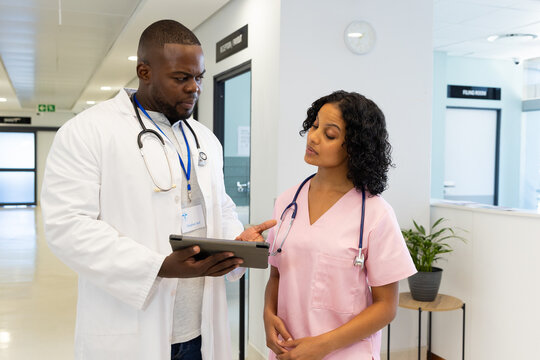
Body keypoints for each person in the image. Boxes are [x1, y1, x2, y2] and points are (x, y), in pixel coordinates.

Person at [41, 19, 274, 360]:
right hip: (131, 327)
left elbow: (219, 207)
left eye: (199, 78)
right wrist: (159, 266)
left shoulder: (203, 137)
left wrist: (237, 242)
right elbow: (68, 226)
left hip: (199, 329)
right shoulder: (87, 132)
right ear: (145, 72)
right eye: (181, 78)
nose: (194, 87)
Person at [263, 91, 417, 360]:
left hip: (345, 354)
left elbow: (386, 307)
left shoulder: (375, 213)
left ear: (355, 146)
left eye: (330, 134)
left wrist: (322, 345)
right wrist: (268, 315)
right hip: (289, 351)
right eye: (314, 126)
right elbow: (277, 275)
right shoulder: (288, 202)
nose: (313, 137)